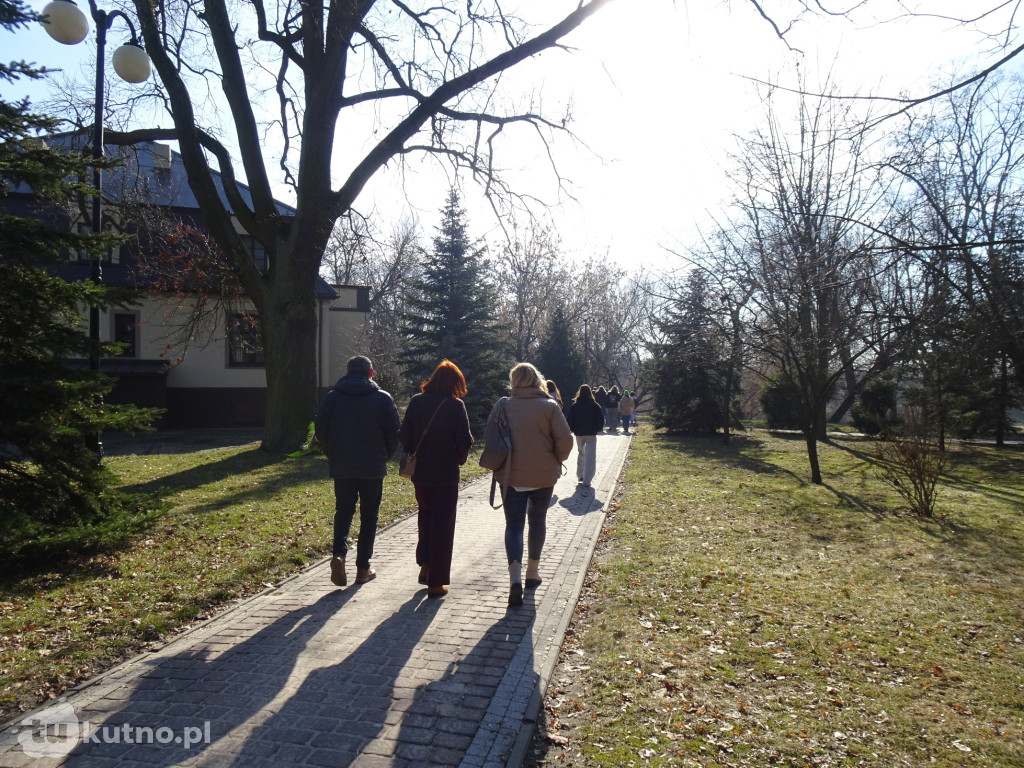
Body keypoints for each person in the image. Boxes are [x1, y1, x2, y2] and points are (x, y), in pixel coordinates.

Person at [485, 362, 573, 607]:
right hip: (543, 476)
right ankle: (532, 573)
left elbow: (489, 437)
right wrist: (557, 458)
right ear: (537, 380)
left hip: (510, 475)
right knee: (538, 520)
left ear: (514, 381)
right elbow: (565, 441)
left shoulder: (503, 405)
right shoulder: (550, 407)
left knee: (513, 526)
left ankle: (514, 578)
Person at [315, 355, 401, 587]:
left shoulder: (332, 398)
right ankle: (363, 568)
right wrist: (385, 456)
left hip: (342, 466)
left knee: (343, 512)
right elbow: (394, 434)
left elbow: (320, 432)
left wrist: (333, 453)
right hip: (373, 467)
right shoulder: (383, 399)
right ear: (370, 373)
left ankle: (339, 554)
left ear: (347, 372)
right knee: (369, 516)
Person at [399, 360, 474, 597]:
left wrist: (413, 453)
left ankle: (425, 564)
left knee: (425, 517)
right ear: (455, 383)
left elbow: (405, 434)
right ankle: (436, 581)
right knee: (443, 525)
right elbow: (465, 440)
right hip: (445, 474)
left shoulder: (416, 401)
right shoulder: (455, 406)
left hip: (420, 474)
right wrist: (458, 458)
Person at [565, 384, 605, 487]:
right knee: (590, 456)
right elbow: (600, 419)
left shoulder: (575, 406)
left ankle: (580, 474)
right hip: (591, 432)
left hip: (579, 433)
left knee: (581, 452)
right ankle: (587, 479)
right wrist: (598, 428)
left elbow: (570, 419)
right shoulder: (594, 405)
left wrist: (572, 429)